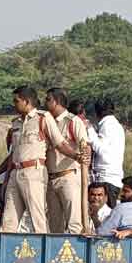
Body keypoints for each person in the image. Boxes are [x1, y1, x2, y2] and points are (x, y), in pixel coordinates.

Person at [0, 86, 80, 233]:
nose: (14, 104)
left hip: (34, 172)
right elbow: (13, 155)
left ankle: (44, 252)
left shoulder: (43, 118)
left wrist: (76, 156)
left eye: (16, 101)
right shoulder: (15, 123)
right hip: (15, 173)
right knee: (8, 220)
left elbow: (59, 143)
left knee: (37, 218)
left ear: (26, 101)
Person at [44, 87, 91, 234]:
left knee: (74, 223)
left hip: (69, 176)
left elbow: (85, 146)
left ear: (56, 101)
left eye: (48, 99)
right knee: (54, 224)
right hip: (51, 178)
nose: (45, 103)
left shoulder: (73, 121)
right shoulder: (46, 122)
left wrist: (82, 156)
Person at [86, 97, 125, 207]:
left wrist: (90, 130)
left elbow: (102, 151)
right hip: (112, 178)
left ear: (97, 112)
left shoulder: (108, 126)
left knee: (105, 217)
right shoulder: (115, 125)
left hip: (107, 178)